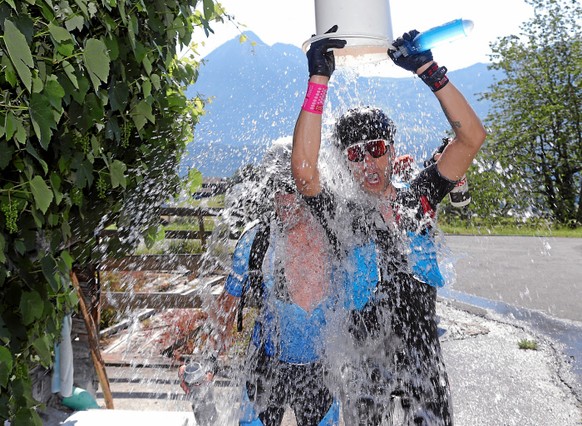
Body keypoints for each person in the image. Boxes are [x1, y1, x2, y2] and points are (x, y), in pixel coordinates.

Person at [292, 26, 487, 425]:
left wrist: (429, 70)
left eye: (377, 150)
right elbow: (305, 172)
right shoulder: (341, 215)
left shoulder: (419, 198)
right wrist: (318, 81)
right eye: (356, 154)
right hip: (364, 363)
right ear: (345, 161)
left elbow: (471, 139)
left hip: (422, 355)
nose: (369, 165)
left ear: (391, 148)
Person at [180, 139, 340, 426]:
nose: (283, 197)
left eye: (292, 188)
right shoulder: (255, 242)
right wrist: (208, 359)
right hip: (266, 366)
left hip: (320, 370)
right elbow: (225, 314)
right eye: (275, 187)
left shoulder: (333, 240)